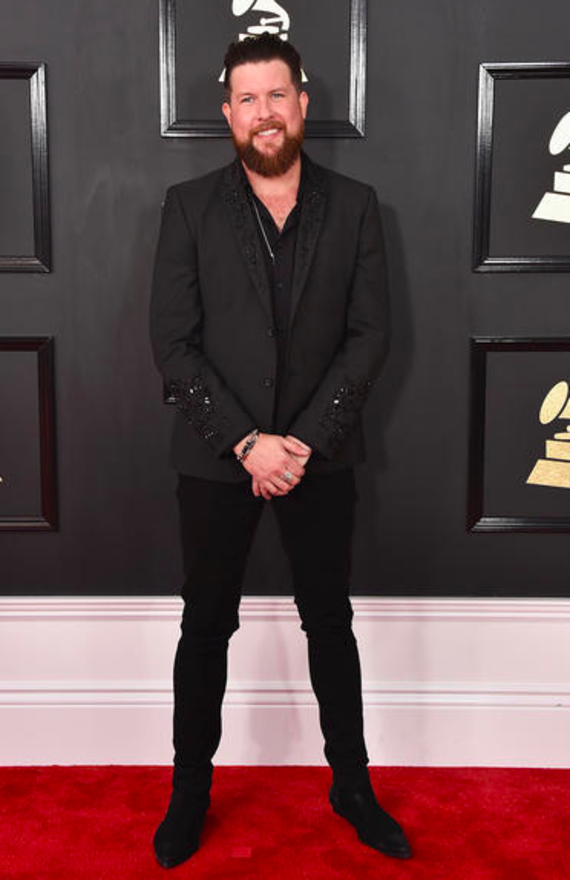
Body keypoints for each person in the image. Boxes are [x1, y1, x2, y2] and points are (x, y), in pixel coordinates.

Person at [149, 32, 411, 869]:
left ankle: (352, 787)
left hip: (319, 455)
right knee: (205, 626)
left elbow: (370, 337)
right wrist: (245, 442)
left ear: (303, 102)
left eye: (277, 95)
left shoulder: (358, 205)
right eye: (247, 98)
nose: (264, 112)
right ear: (228, 113)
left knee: (330, 622)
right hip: (215, 457)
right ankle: (190, 793)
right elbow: (173, 344)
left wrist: (301, 442)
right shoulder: (187, 206)